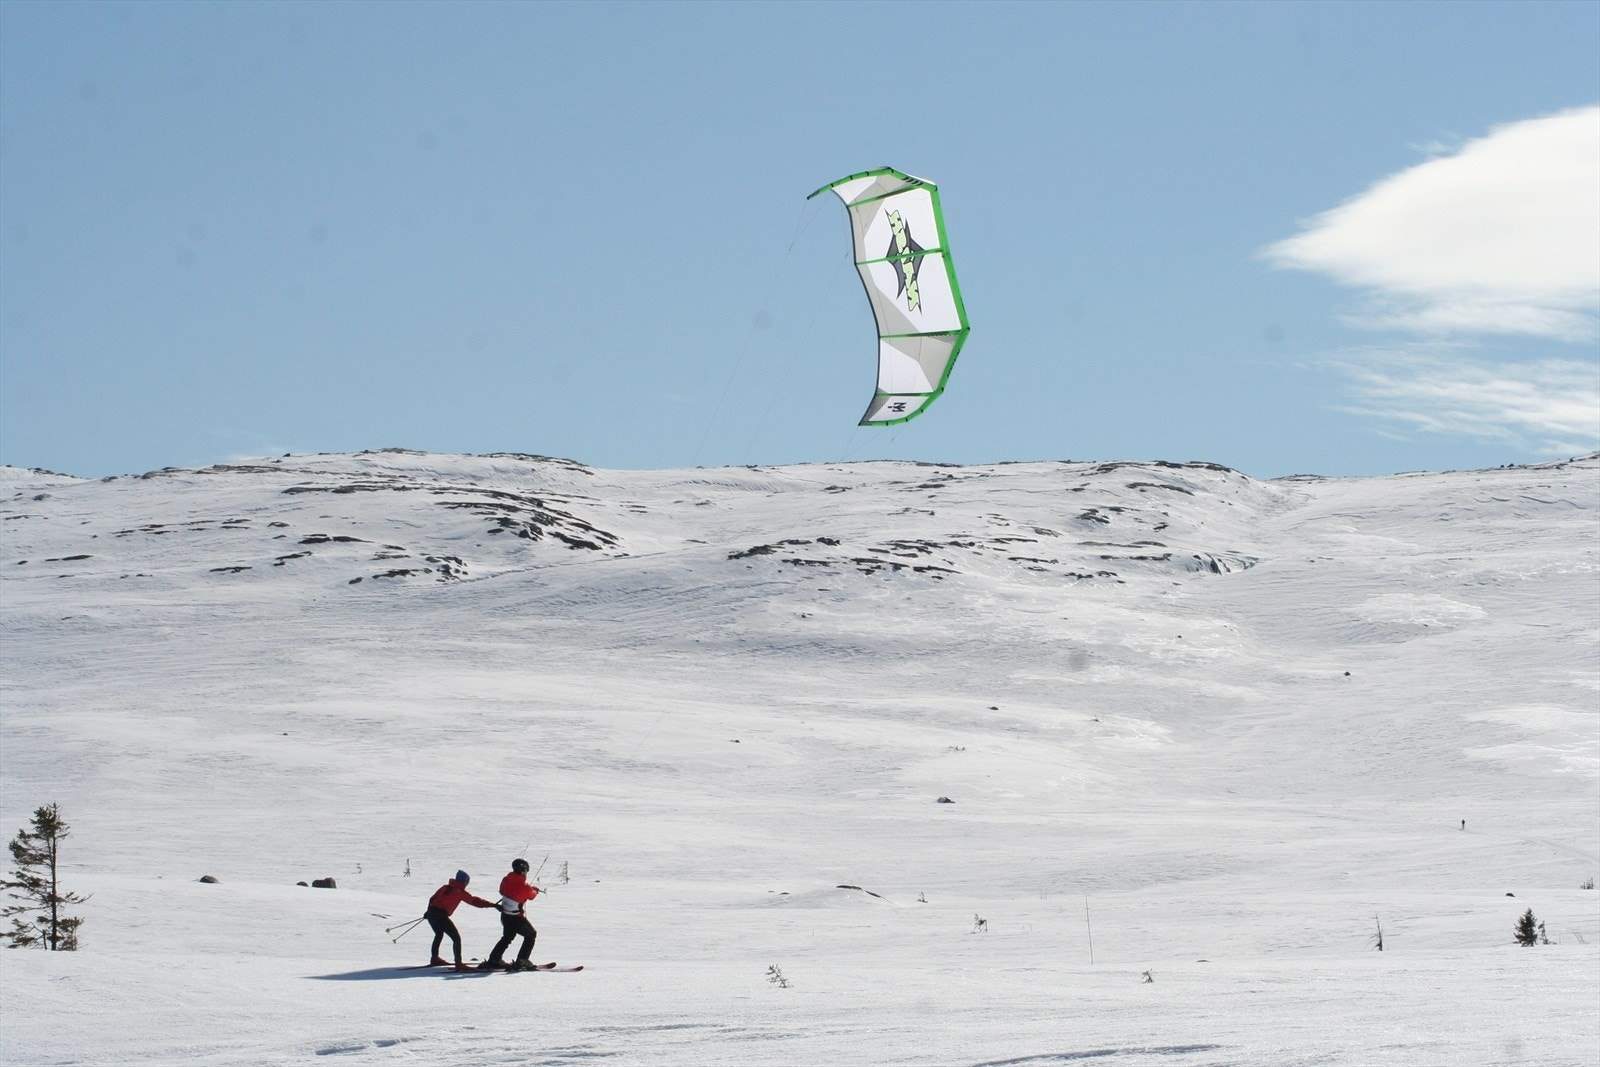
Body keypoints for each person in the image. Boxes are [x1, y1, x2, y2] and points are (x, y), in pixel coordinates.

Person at [424, 870, 494, 969]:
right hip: (440, 915)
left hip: (432, 913)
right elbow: (474, 901)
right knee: (456, 938)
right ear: (464, 881)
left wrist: (428, 911)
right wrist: (492, 905)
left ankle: (435, 958)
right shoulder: (459, 892)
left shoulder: (445, 887)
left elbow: (432, 898)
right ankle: (458, 963)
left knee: (439, 934)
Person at [483, 857, 542, 971]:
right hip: (516, 918)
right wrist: (534, 890)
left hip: (505, 915)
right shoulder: (525, 887)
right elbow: (532, 896)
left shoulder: (506, 880)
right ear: (523, 870)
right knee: (531, 935)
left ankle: (494, 959)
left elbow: (502, 891)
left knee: (507, 937)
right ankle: (522, 960)